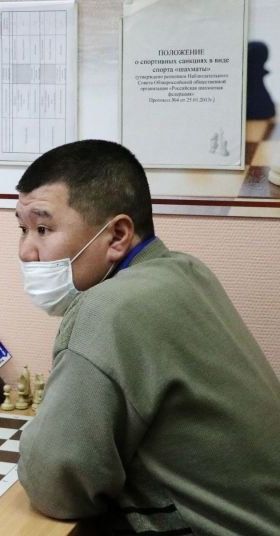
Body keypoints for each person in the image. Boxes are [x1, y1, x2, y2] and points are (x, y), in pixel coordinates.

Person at [15, 140, 280, 535]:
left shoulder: (107, 308)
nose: (26, 251)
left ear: (118, 235)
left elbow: (57, 485)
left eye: (43, 228)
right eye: (22, 229)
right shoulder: (186, 271)